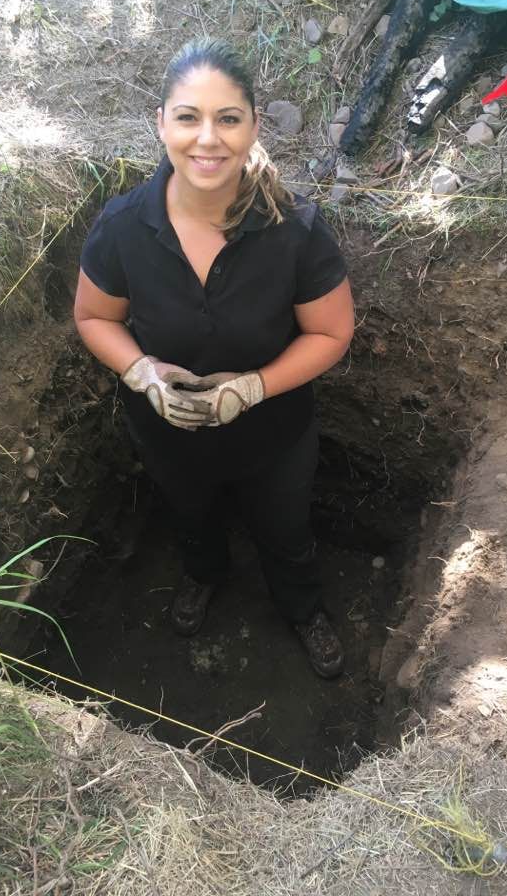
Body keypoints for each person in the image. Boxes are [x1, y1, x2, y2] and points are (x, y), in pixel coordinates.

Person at [74, 39, 355, 678]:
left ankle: (302, 606)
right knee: (191, 517)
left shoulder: (295, 229)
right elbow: (95, 317)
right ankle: (204, 574)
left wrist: (253, 388)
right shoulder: (122, 228)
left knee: (286, 530)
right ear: (162, 124)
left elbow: (332, 333)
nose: (208, 139)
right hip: (165, 430)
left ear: (254, 124)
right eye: (188, 117)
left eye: (228, 118)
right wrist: (142, 373)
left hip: (274, 434)